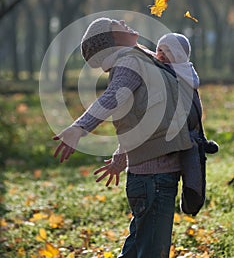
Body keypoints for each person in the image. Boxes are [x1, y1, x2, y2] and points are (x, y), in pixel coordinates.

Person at [53, 18, 196, 258]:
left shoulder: (140, 58)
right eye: (114, 23)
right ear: (111, 40)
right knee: (151, 252)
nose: (121, 21)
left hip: (153, 176)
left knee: (137, 249)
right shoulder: (130, 62)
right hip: (155, 179)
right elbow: (113, 97)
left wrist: (121, 156)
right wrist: (80, 127)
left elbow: (140, 117)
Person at [154, 32, 219, 154]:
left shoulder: (179, 70)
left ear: (178, 54)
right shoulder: (181, 68)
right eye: (159, 50)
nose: (161, 54)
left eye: (167, 51)